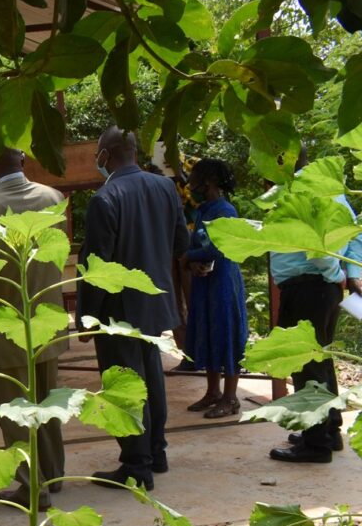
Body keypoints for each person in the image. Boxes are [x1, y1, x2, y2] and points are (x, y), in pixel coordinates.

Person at [77, 126, 190, 490]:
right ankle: (156, 453)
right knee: (152, 377)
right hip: (155, 304)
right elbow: (181, 243)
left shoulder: (106, 198)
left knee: (124, 386)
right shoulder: (165, 188)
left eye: (98, 153)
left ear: (106, 155)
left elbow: (97, 266)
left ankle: (135, 466)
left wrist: (87, 317)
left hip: (117, 310)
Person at [0, 148, 67, 511]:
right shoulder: (54, 199)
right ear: (23, 162)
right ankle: (53, 475)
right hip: (47, 324)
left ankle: (32, 489)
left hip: (4, 330)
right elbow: (59, 254)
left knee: (15, 412)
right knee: (48, 404)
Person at [268, 148, 362, 463]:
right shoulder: (329, 190)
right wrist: (349, 275)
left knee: (307, 364)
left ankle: (316, 443)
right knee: (320, 360)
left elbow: (319, 248)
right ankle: (329, 430)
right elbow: (353, 237)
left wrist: (335, 273)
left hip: (308, 286)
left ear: (282, 158)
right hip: (322, 290)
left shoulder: (298, 190)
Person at [182, 160, 248, 419]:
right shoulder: (203, 210)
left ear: (207, 182)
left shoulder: (225, 211)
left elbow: (220, 248)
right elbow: (197, 243)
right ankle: (213, 392)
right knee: (208, 333)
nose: (190, 185)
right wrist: (194, 261)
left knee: (226, 335)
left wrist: (189, 256)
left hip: (223, 283)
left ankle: (231, 398)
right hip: (205, 281)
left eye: (194, 179)